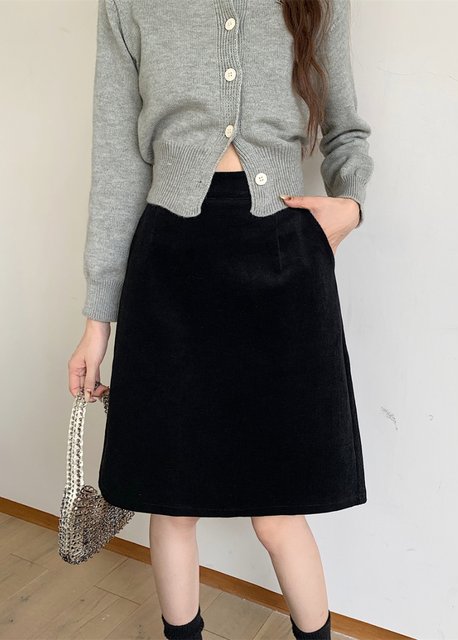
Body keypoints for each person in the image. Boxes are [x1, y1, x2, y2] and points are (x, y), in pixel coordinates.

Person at [68, 1, 374, 639]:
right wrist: (98, 322)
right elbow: (118, 164)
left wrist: (351, 205)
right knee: (171, 500)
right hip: (170, 269)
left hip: (284, 263)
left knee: (279, 508)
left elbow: (346, 129)